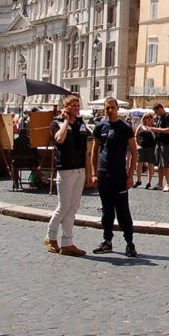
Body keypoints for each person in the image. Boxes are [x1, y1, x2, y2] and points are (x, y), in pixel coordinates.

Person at [91, 97, 138, 258]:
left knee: (123, 211)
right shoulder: (99, 127)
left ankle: (129, 242)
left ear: (117, 108)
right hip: (104, 174)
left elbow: (134, 153)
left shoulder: (125, 128)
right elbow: (94, 151)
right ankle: (107, 241)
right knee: (107, 211)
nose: (109, 110)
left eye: (112, 107)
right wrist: (92, 173)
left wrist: (131, 175)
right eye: (107, 108)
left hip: (119, 176)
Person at [44, 95, 90, 256]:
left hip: (79, 169)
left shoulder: (81, 123)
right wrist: (65, 122)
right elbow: (59, 139)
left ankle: (67, 242)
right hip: (65, 169)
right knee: (63, 206)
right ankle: (50, 236)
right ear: (66, 106)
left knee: (73, 207)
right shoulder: (56, 123)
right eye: (74, 106)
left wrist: (89, 171)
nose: (77, 108)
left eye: (78, 105)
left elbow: (86, 149)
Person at [151, 103, 169, 191]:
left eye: (157, 112)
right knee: (160, 164)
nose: (157, 114)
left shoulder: (168, 116)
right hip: (159, 143)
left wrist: (157, 129)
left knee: (166, 164)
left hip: (166, 144)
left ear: (160, 109)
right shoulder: (160, 118)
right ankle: (160, 183)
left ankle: (167, 184)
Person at [135, 112, 157, 189]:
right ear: (144, 118)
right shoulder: (140, 126)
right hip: (141, 147)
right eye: (147, 117)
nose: (149, 119)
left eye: (150, 117)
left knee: (150, 165)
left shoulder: (154, 127)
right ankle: (138, 180)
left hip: (151, 147)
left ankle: (149, 182)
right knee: (139, 164)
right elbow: (136, 135)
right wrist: (136, 144)